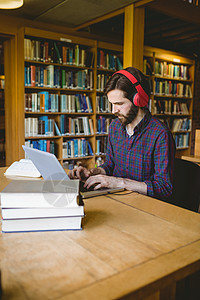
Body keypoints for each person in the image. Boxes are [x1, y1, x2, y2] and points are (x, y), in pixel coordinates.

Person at [69, 67, 175, 200]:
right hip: (116, 199)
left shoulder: (160, 134)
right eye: (111, 104)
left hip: (144, 205)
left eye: (119, 104)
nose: (113, 111)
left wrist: (119, 183)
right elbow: (110, 165)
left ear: (139, 100)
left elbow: (164, 188)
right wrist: (91, 173)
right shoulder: (115, 127)